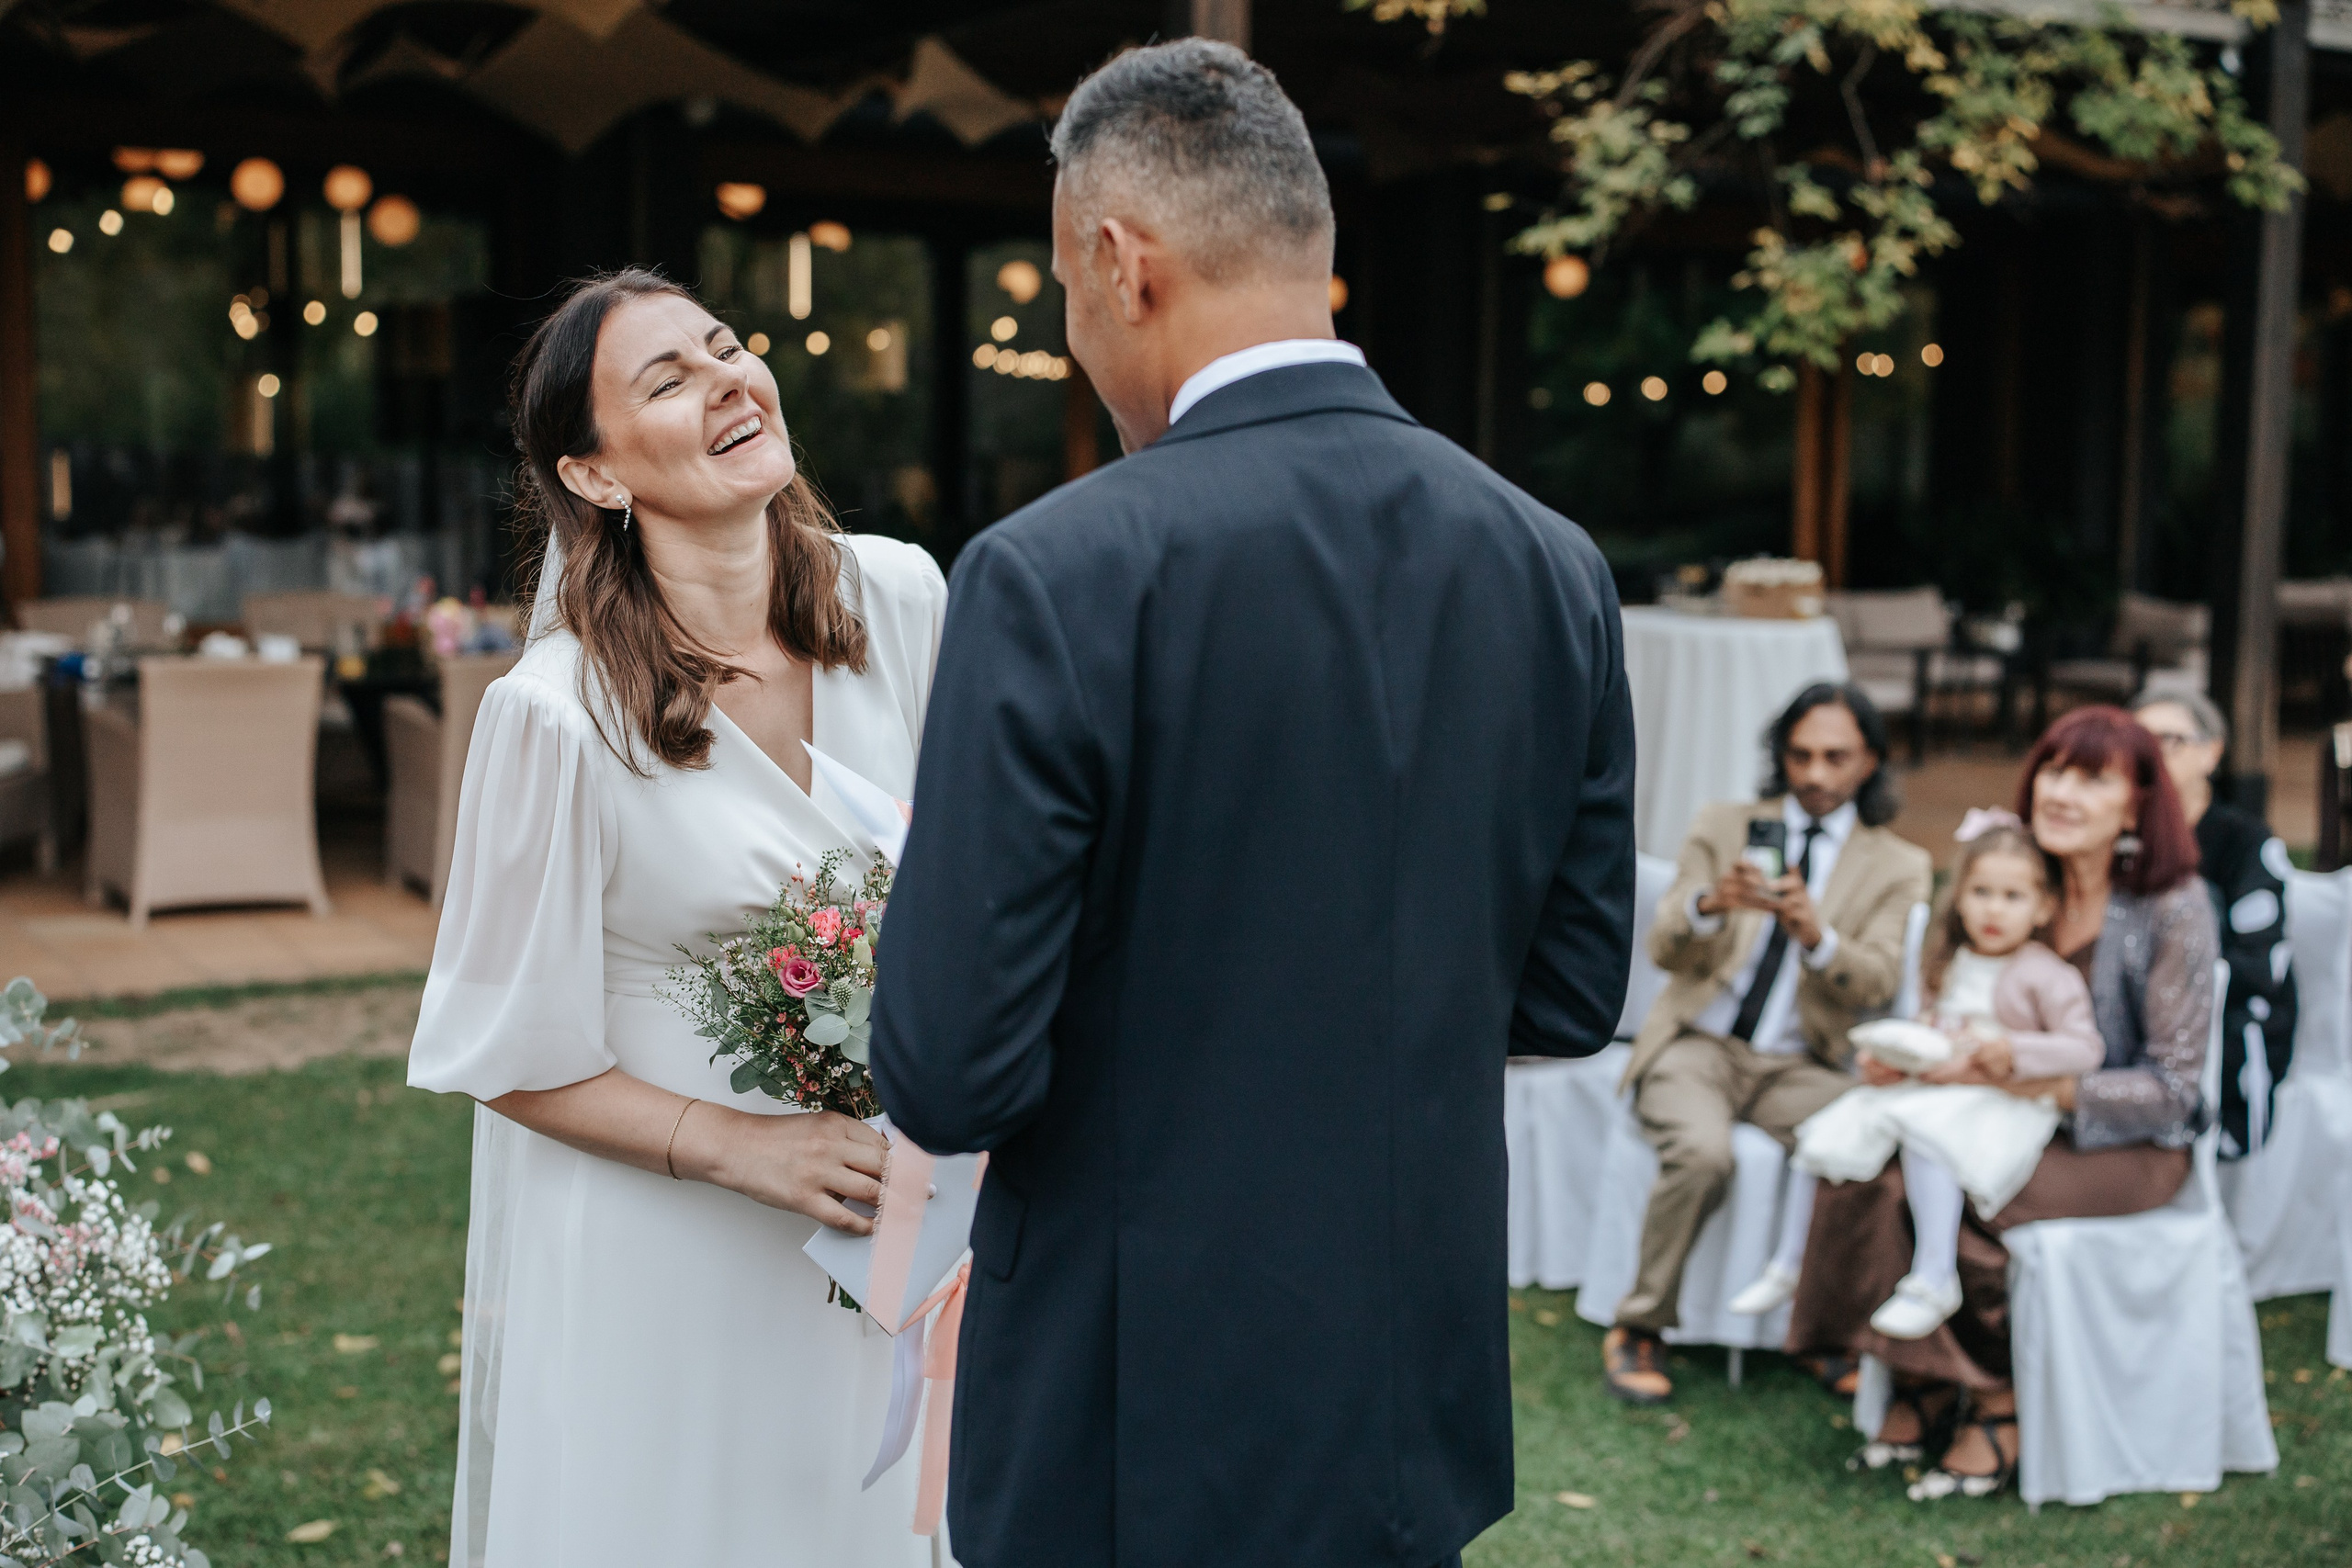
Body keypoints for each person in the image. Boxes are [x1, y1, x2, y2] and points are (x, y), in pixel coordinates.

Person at [867, 39, 1636, 1568]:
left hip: (1130, 1412)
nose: (1074, 330)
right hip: (1405, 1402)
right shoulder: (1552, 561)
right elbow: (1568, 989)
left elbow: (949, 1070)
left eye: (1063, 293)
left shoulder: (1058, 570)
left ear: (1117, 258)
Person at [406, 270, 949, 1567]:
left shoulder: (902, 598)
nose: (727, 380)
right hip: (666, 1251)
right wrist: (736, 1145)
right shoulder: (556, 712)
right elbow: (504, 1050)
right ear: (594, 475)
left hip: (887, 1220)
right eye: (668, 378)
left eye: (726, 349)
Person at [1789, 705, 2216, 1502]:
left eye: (2091, 778)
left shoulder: (2171, 905)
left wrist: (2042, 1083)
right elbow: (1950, 1007)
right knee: (1878, 1174)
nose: (2061, 791)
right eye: (2054, 769)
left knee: (1972, 1197)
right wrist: (1913, 1062)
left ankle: (1995, 1403)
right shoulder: (2015, 879)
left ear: (2137, 802)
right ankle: (1915, 1381)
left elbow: (2175, 1088)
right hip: (1996, 1114)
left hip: (2129, 1146)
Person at [1602, 682, 1932, 1404]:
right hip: (1699, 1045)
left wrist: (1818, 937)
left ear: (1870, 761)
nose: (1814, 773)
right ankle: (1638, 1325)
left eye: (1835, 757)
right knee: (1703, 1155)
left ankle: (1827, 1332)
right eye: (1800, 754)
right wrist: (1710, 905)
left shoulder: (1898, 864)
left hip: (1802, 1064)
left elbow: (1877, 981)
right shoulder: (1725, 824)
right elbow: (1661, 944)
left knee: (1875, 1149)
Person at [1773, 813, 2103, 1345]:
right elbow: (1930, 1030)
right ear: (1960, 897)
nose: (1994, 909)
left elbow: (2085, 1047)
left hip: (1997, 1098)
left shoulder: (2045, 974)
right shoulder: (1947, 962)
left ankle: (1934, 1273)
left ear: (2044, 907)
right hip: (1940, 1086)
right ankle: (1790, 1259)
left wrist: (2014, 1051)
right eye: (1981, 892)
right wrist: (1894, 1058)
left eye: (2013, 896)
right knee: (1827, 1128)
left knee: (1929, 1137)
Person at [2132, 690, 2297, 1157]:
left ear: (2212, 752)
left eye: (2171, 740)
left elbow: (2260, 965)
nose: (2154, 755)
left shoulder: (2243, 841)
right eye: (2140, 742)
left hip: (2220, 1021)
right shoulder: (2120, 835)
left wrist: (2165, 981)